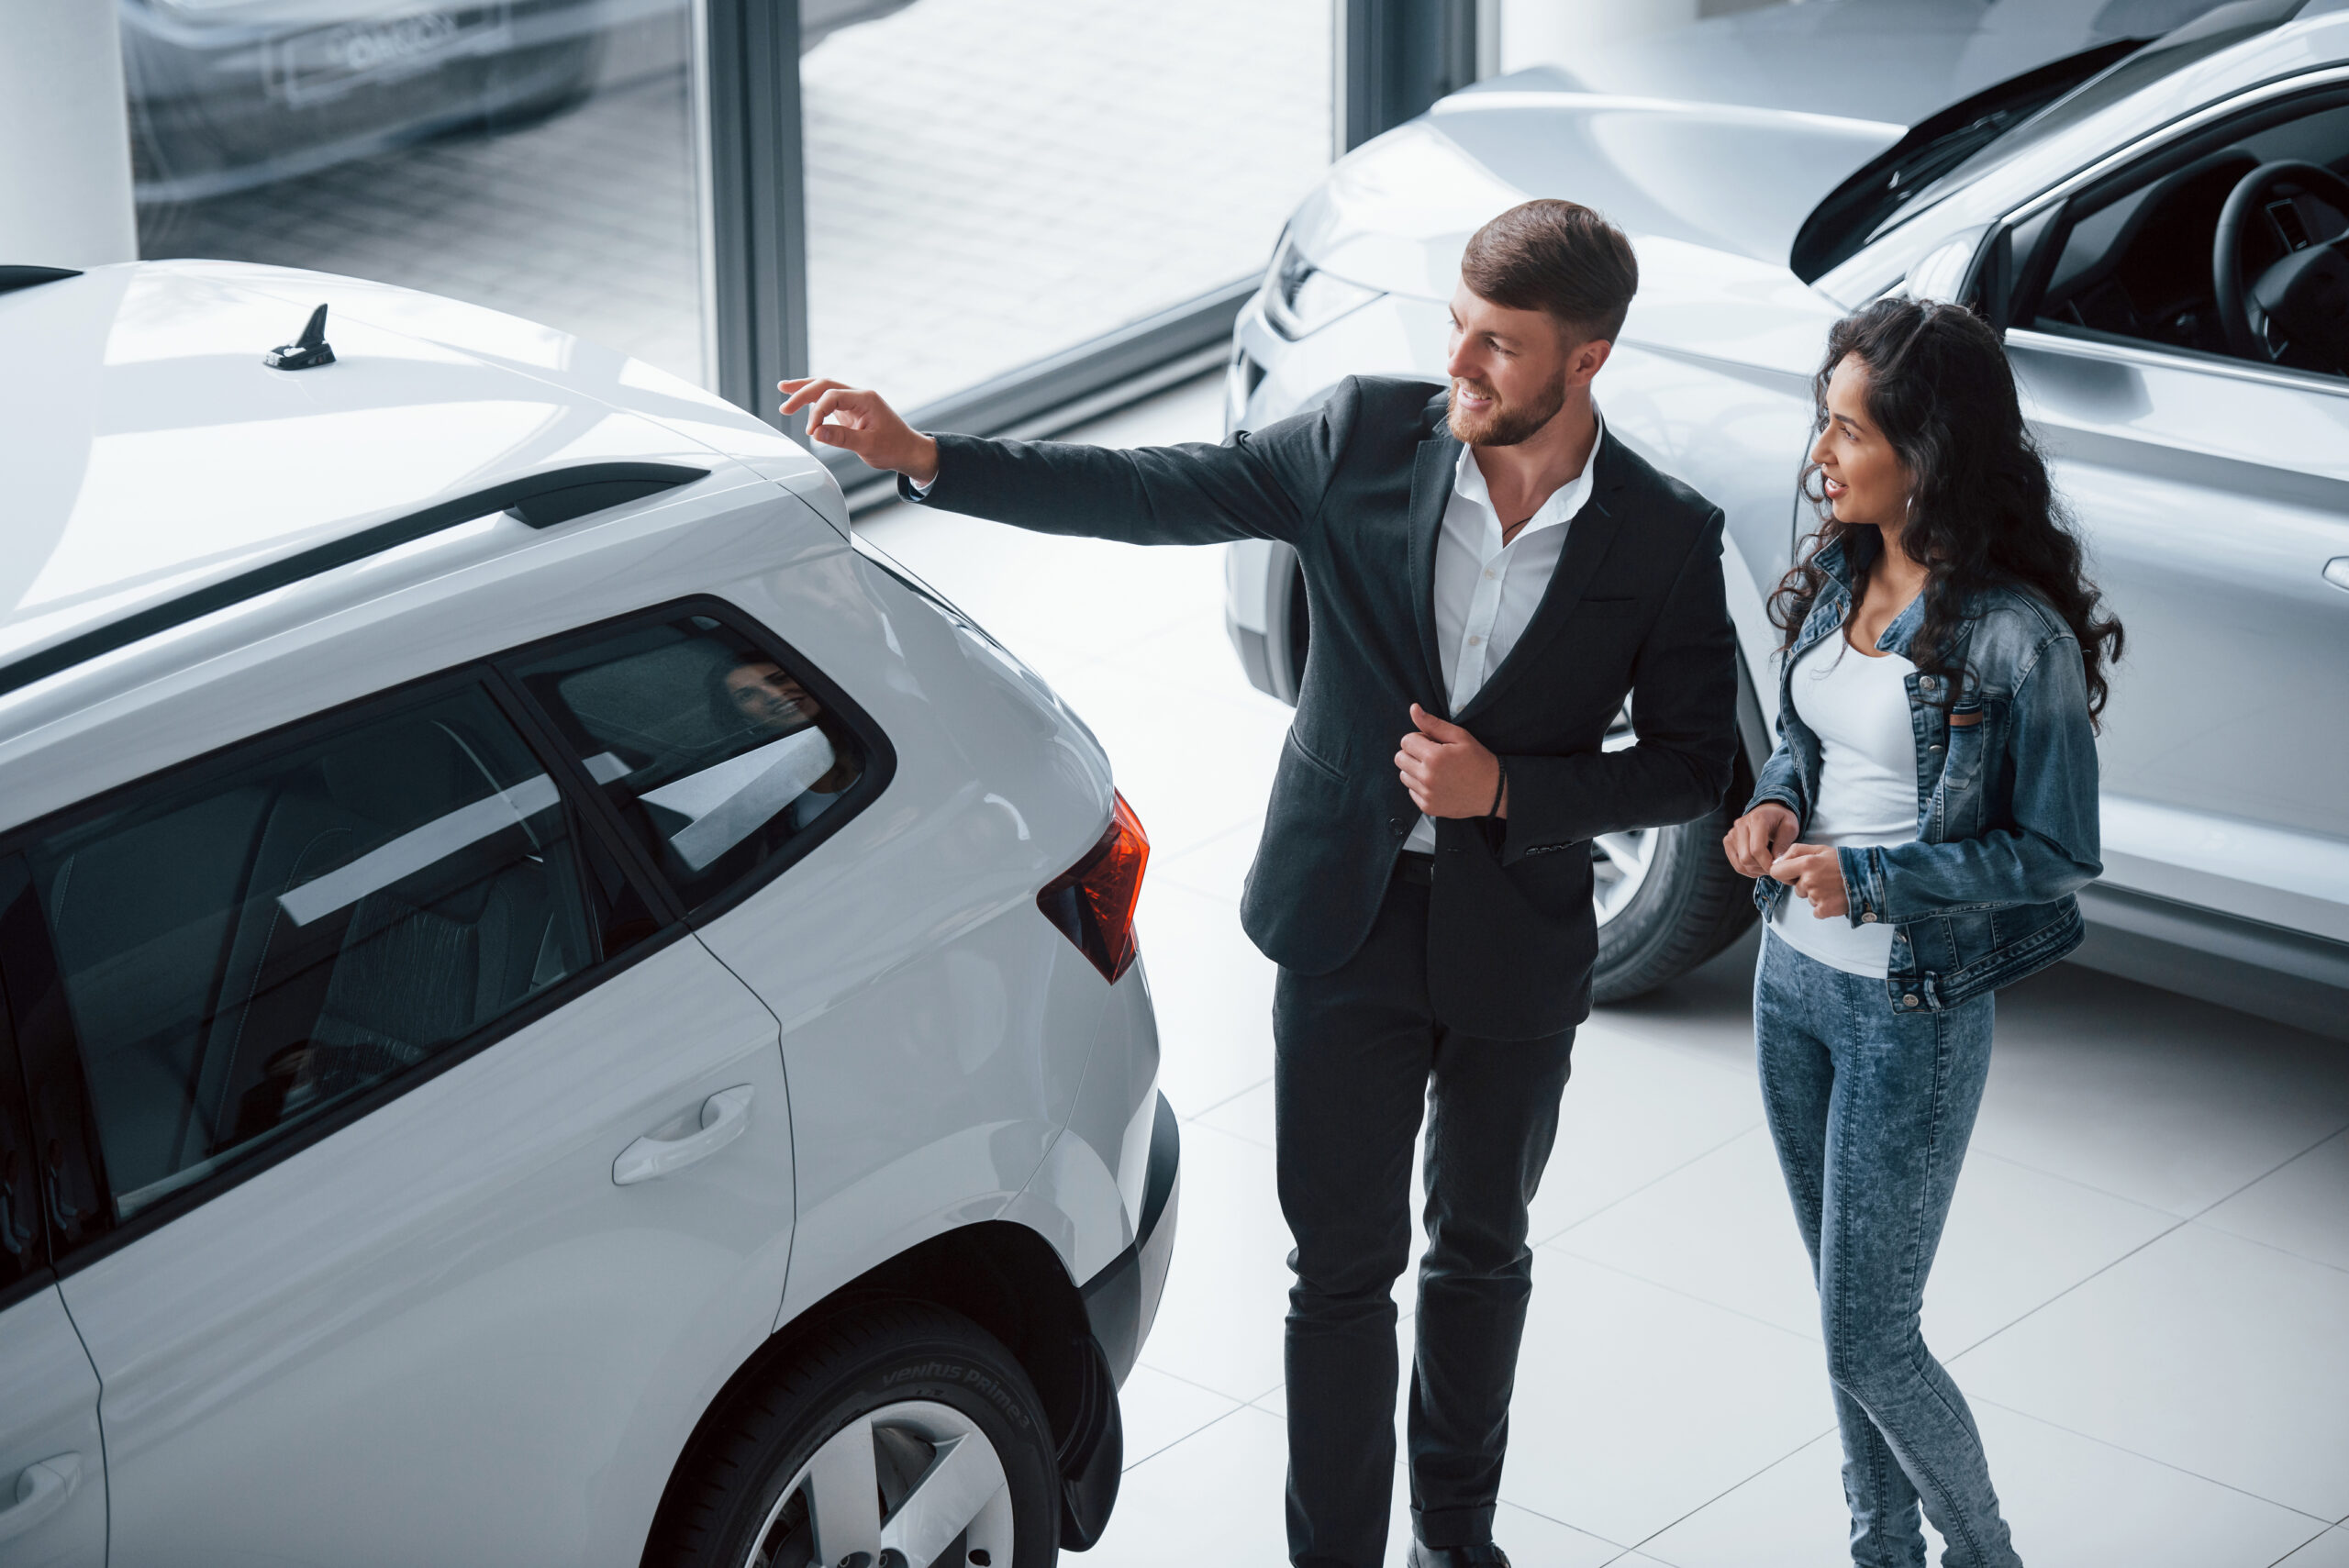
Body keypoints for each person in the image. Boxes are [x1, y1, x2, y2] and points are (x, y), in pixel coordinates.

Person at [785, 199, 1740, 1568]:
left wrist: (1513, 791)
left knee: (1481, 1250)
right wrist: (927, 457)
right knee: (1341, 1275)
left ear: (1586, 363)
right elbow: (1152, 489)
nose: (1461, 364)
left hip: (1516, 941)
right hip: (1343, 923)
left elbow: (1695, 766)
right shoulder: (1357, 437)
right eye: (1459, 327)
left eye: (1500, 347)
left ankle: (1454, 1540)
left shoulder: (1662, 534)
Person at [1721, 297, 2121, 1568]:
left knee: (1869, 1333)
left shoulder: (2016, 638)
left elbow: (2055, 858)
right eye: (1822, 423)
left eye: (1846, 431)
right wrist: (1777, 795)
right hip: (1790, 982)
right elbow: (1812, 729)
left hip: (1913, 1010)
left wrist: (1875, 877)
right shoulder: (1845, 564)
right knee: (1849, 1312)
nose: (1817, 458)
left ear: (1929, 451)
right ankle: (1878, 1547)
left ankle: (1981, 1552)